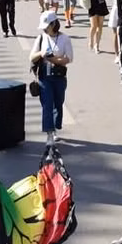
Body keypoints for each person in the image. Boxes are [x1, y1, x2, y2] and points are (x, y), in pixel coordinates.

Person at [29, 11, 73, 146]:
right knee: (47, 104)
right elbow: (32, 57)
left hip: (59, 76)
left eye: (47, 26)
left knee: (58, 103)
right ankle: (49, 133)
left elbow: (69, 58)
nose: (45, 28)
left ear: (54, 24)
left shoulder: (65, 39)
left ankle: (55, 128)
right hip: (44, 77)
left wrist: (54, 59)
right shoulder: (41, 38)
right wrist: (41, 54)